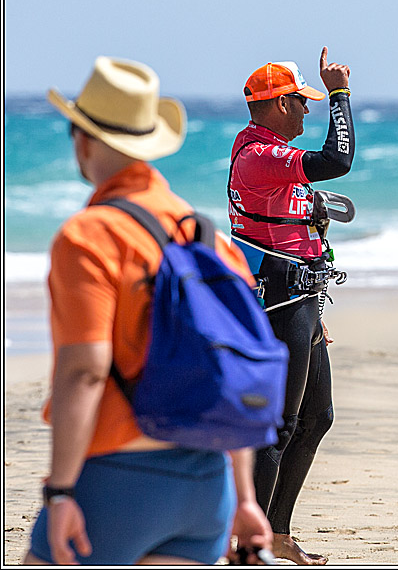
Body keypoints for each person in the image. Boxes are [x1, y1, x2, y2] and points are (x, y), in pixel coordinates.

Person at [24, 56, 272, 565]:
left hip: (115, 482)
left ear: (83, 139)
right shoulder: (209, 239)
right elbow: (232, 367)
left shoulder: (90, 235)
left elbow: (85, 372)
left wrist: (62, 492)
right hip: (208, 488)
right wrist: (245, 501)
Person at [227, 47, 355, 565]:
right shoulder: (260, 155)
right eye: (302, 102)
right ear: (279, 104)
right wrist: (341, 94)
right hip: (280, 301)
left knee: (316, 418)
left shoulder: (271, 151)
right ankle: (250, 543)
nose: (308, 110)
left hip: (303, 299)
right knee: (278, 427)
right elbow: (337, 161)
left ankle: (277, 532)